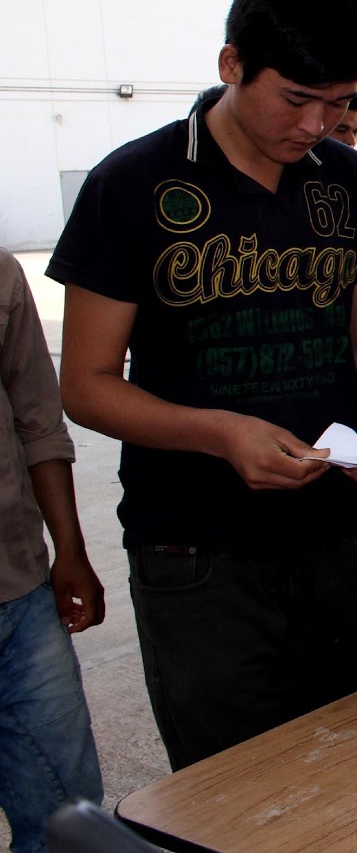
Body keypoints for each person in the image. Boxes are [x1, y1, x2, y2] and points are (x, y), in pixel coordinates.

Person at [47, 0, 357, 769]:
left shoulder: (349, 183)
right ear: (232, 64)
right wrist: (222, 433)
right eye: (295, 99)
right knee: (232, 794)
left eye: (339, 103)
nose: (315, 125)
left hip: (334, 537)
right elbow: (83, 385)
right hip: (195, 555)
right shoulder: (135, 185)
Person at [0, 249, 103, 853]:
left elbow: (38, 422)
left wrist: (69, 549)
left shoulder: (4, 276)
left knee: (70, 820)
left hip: (21, 594)